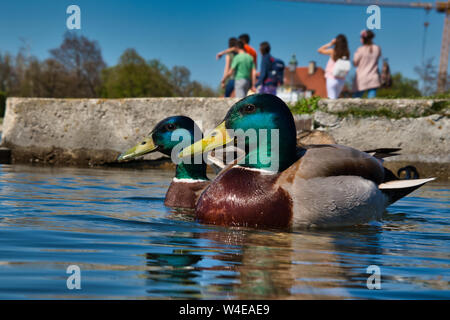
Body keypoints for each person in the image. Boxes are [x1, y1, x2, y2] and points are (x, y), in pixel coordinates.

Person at [318, 34, 350, 99]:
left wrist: (330, 44)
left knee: (331, 99)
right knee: (336, 98)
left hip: (331, 78)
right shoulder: (347, 53)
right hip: (341, 80)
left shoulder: (333, 51)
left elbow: (320, 50)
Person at [353, 30, 381, 98]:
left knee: (356, 100)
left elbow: (355, 63)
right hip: (373, 77)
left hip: (361, 78)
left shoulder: (360, 49)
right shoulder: (377, 48)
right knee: (371, 101)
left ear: (363, 39)